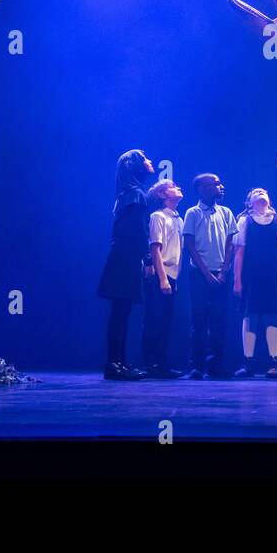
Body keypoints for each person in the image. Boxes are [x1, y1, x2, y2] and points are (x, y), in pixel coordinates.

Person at [99, 149, 154, 381]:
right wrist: (148, 259)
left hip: (122, 256)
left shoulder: (126, 194)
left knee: (121, 312)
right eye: (145, 158)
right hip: (126, 257)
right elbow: (138, 232)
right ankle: (114, 364)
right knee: (121, 313)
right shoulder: (136, 195)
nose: (150, 161)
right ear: (136, 166)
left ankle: (118, 362)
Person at [179, 174, 236, 379]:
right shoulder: (192, 213)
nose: (221, 186)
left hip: (221, 274)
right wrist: (207, 274)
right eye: (216, 184)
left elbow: (231, 243)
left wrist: (223, 270)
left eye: (221, 183)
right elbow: (190, 245)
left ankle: (216, 364)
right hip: (199, 274)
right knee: (199, 320)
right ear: (203, 188)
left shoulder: (226, 212)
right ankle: (197, 365)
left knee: (219, 320)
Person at [233, 187, 277, 379]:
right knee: (250, 316)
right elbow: (239, 252)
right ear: (249, 202)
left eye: (263, 191)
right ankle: (248, 362)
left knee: (272, 317)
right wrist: (237, 281)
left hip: (272, 276)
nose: (260, 193)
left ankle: (273, 362)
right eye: (255, 192)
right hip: (251, 276)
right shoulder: (244, 221)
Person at [142, 178, 184, 379]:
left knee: (166, 321)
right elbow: (155, 248)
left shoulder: (178, 218)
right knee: (156, 319)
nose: (178, 188)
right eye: (173, 187)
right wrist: (162, 278)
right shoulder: (158, 217)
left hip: (173, 274)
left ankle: (163, 362)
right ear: (162, 195)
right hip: (162, 274)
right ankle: (152, 363)